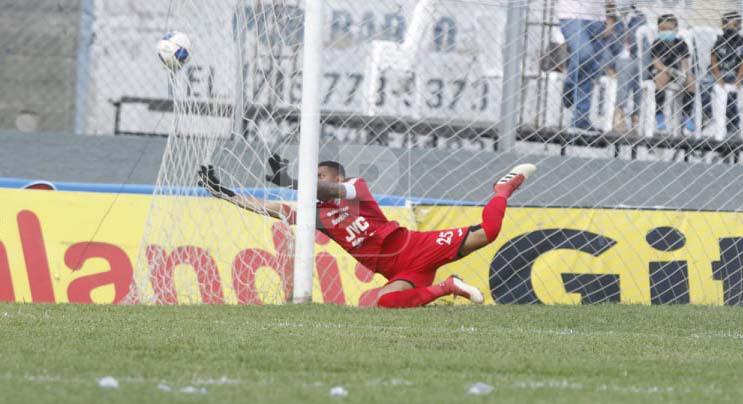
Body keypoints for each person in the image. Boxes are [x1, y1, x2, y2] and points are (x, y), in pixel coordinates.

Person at [198, 156, 536, 308]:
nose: (318, 182)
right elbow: (270, 209)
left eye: (321, 176)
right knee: (386, 302)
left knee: (489, 232)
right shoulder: (318, 217)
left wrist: (292, 182)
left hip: (415, 246)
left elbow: (327, 192)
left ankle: (502, 189)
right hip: (400, 271)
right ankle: (448, 287)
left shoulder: (355, 189)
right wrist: (225, 193)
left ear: (336, 178)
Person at [558, 0, 607, 130]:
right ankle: (569, 84)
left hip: (598, 16)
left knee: (590, 68)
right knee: (584, 54)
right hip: (571, 13)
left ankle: (581, 118)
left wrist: (611, 16)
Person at [650, 14, 695, 132]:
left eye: (669, 29)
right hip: (662, 70)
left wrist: (684, 73)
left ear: (676, 29)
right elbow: (656, 62)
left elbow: (685, 62)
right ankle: (659, 116)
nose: (666, 32)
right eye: (663, 29)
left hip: (677, 72)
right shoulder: (657, 43)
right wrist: (668, 70)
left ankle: (687, 116)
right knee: (662, 77)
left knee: (691, 80)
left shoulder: (680, 43)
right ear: (658, 29)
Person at [708, 11, 743, 134]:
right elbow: (713, 62)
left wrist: (738, 79)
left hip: (737, 78)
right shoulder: (719, 41)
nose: (729, 28)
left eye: (733, 25)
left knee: (735, 95)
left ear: (739, 25)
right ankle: (719, 127)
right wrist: (718, 78)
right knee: (718, 92)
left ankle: (733, 126)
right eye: (726, 24)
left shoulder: (741, 42)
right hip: (720, 78)